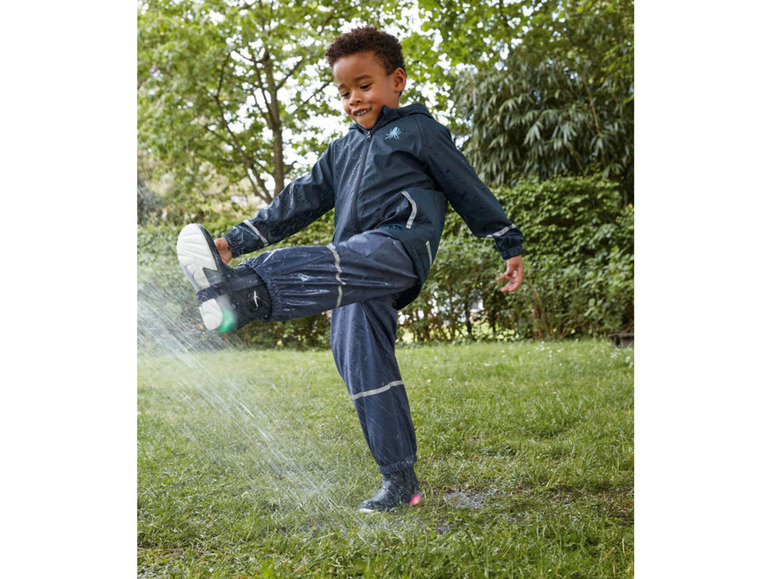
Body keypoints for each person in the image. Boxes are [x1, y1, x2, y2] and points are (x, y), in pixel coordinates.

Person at [176, 26, 524, 512]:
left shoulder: (418, 131)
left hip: (396, 250)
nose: (354, 99)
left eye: (365, 85)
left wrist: (506, 242)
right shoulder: (341, 151)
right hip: (349, 272)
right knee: (363, 368)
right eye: (343, 92)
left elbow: (466, 187)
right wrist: (233, 241)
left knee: (349, 255)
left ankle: (244, 294)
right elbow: (296, 202)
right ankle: (401, 483)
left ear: (396, 80)